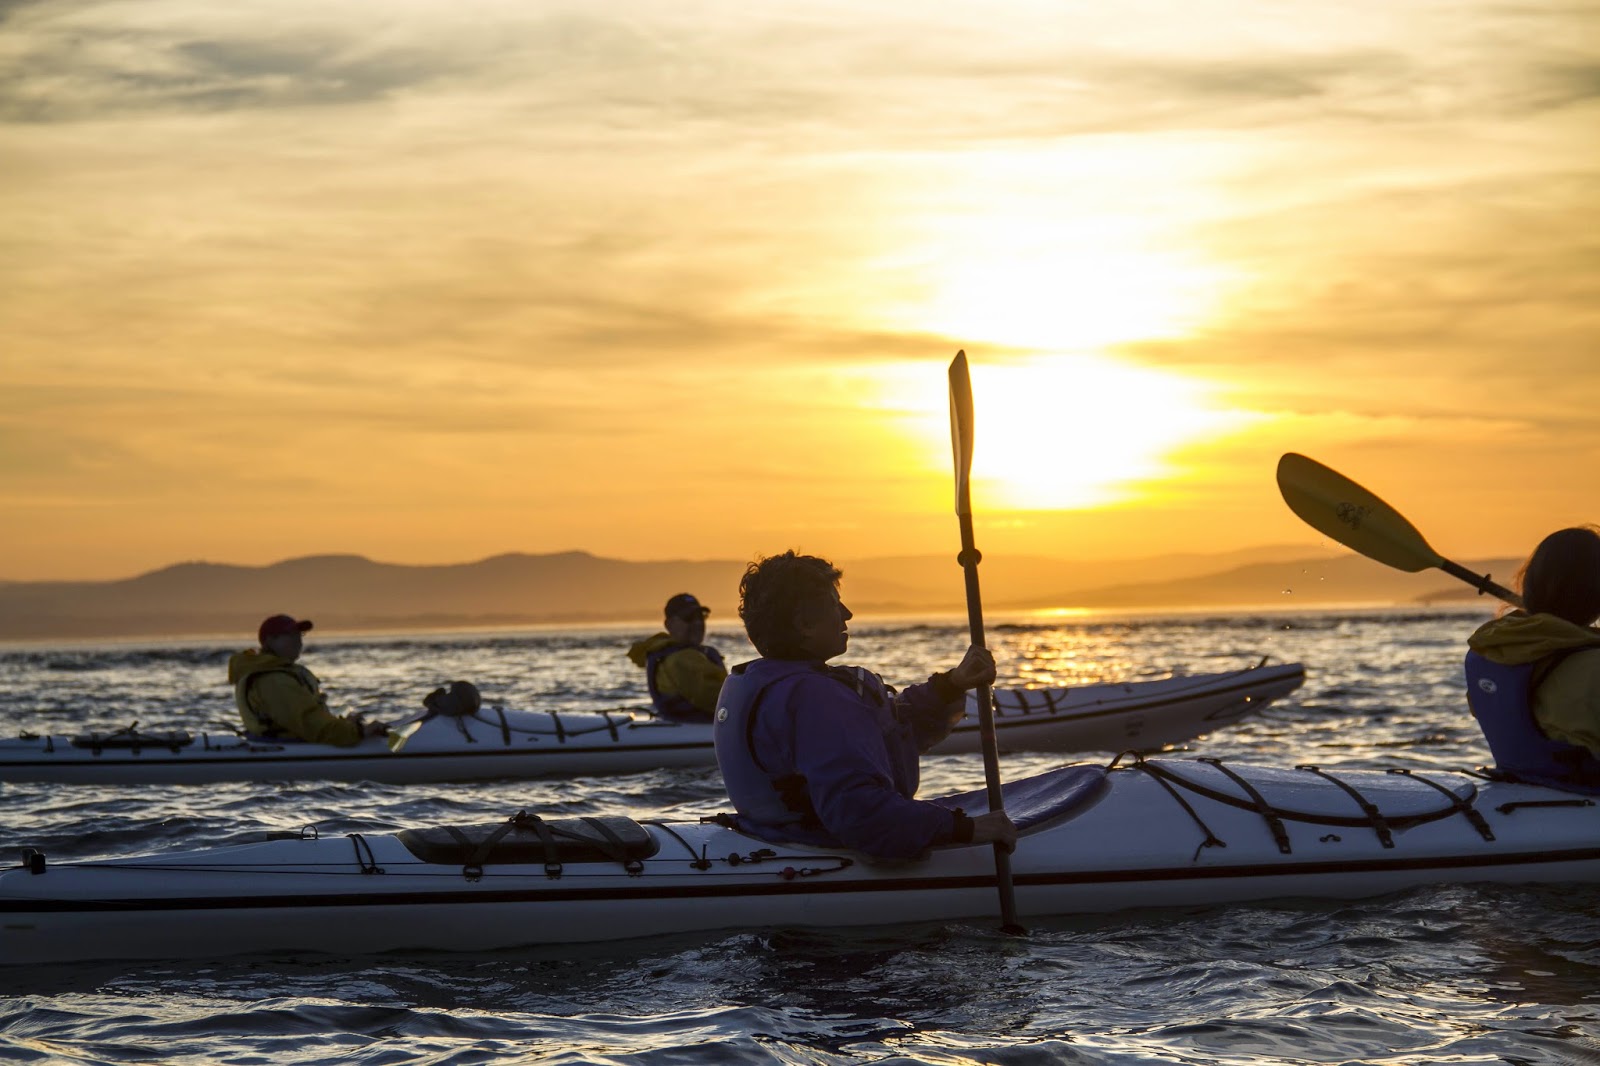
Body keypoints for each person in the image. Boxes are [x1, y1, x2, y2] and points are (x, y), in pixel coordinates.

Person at [713, 550, 1017, 860]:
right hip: (820, 847)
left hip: (771, 837)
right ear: (804, 623)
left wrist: (951, 684)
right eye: (834, 604)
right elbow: (862, 817)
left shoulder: (767, 682)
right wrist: (966, 828)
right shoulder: (815, 698)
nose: (847, 614)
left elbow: (891, 736)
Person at [1465, 525, 1600, 791]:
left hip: (1521, 783)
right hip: (1584, 790)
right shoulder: (1592, 665)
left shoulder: (1490, 649)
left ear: (1530, 583)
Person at [226, 614, 387, 745]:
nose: (298, 640)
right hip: (286, 745)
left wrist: (347, 724)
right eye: (289, 635)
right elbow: (309, 723)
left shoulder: (280, 673)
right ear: (269, 641)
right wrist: (358, 732)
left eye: (299, 634)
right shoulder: (274, 681)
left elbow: (310, 719)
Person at [627, 593, 728, 723]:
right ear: (669, 624)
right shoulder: (680, 659)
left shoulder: (683, 654)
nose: (697, 623)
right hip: (694, 726)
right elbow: (721, 703)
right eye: (689, 617)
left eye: (701, 616)